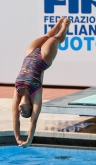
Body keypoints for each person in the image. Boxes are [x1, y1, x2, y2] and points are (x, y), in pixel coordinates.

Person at [12, 17, 71, 148]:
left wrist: (17, 139)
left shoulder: (17, 93)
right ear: (30, 107)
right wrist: (28, 140)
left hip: (29, 55)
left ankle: (57, 24)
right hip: (43, 60)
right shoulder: (36, 96)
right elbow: (33, 121)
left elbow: (15, 120)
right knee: (54, 40)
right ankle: (65, 26)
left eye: (22, 113)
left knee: (46, 37)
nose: (21, 111)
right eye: (25, 112)